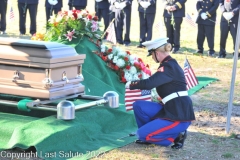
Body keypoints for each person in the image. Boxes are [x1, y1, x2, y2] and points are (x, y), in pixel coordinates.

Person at [125, 37, 195, 149]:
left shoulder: (168, 67)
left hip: (178, 114)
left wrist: (131, 84)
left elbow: (149, 84)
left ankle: (177, 136)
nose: (152, 57)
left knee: (141, 134)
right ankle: (151, 135)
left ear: (157, 53)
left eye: (152, 54)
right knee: (138, 106)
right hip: (170, 108)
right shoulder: (168, 65)